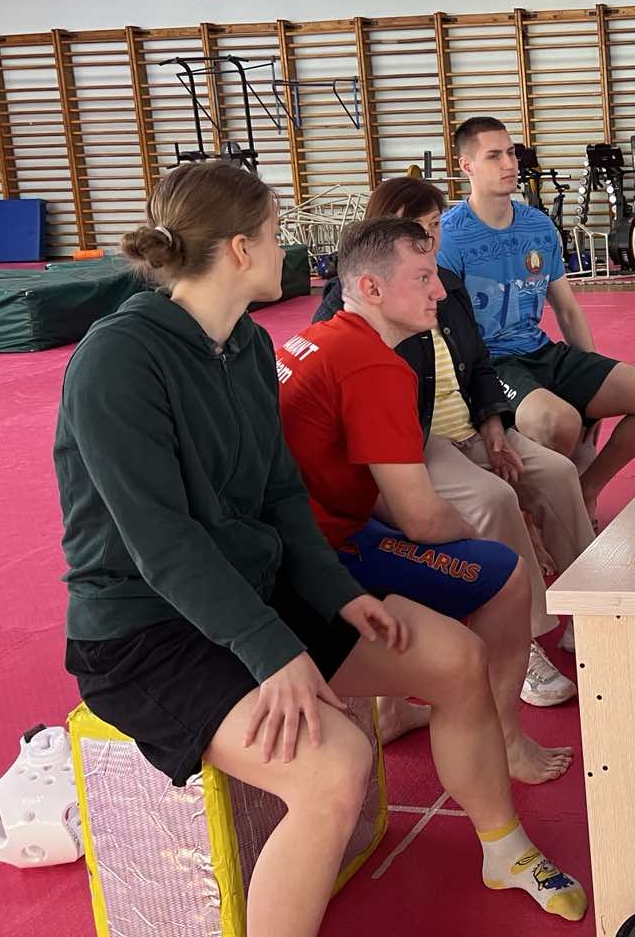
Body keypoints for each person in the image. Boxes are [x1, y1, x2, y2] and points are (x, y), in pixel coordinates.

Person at [56, 161, 588, 936]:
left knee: (456, 659)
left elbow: (281, 496)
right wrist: (272, 651)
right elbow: (161, 542)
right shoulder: (120, 360)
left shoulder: (243, 345)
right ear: (240, 249)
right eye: (277, 233)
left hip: (252, 592)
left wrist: (339, 594)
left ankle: (501, 847)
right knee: (334, 768)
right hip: (146, 631)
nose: (290, 249)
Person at [276, 216, 574, 785]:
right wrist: (497, 540)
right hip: (319, 557)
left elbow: (385, 499)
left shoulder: (315, 340)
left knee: (443, 549)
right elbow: (420, 518)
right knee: (508, 573)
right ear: (371, 288)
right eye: (422, 277)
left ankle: (393, 712)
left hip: (301, 536)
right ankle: (507, 739)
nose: (440, 290)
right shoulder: (374, 365)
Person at [314, 177, 594, 706]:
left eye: (436, 226)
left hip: (470, 425)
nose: (432, 240)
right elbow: (370, 416)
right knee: (495, 500)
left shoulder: (445, 283)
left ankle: (590, 606)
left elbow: (480, 362)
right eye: (418, 229)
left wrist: (493, 425)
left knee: (557, 473)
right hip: (421, 440)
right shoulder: (349, 311)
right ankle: (524, 641)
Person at [438, 116, 635, 523]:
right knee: (560, 422)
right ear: (467, 167)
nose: (509, 164)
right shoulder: (450, 236)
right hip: (490, 362)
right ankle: (538, 515)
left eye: (511, 153)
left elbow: (566, 308)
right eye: (494, 156)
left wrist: (591, 381)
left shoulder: (537, 226)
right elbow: (447, 331)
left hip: (540, 350)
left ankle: (587, 489)